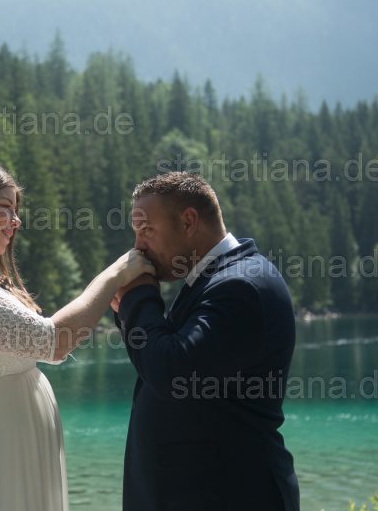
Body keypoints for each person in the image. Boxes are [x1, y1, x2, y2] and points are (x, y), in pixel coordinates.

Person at [0, 161, 154, 511]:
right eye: (5, 208)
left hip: (6, 453)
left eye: (16, 210)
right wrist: (115, 275)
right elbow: (53, 342)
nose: (16, 221)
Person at [111, 172, 300, 511]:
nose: (138, 246)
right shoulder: (213, 280)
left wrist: (137, 298)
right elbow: (160, 357)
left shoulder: (241, 286)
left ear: (189, 221)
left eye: (146, 230)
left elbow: (172, 372)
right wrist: (130, 306)